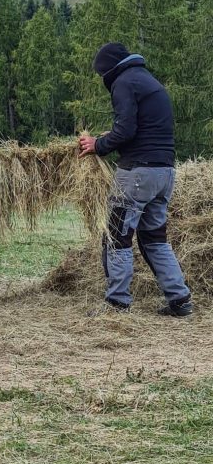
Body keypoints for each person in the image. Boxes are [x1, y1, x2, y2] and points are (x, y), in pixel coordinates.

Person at [78, 41, 193, 316]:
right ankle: (180, 298)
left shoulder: (124, 82)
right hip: (164, 172)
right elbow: (140, 128)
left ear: (107, 70)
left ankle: (117, 301)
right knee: (154, 239)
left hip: (137, 174)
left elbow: (126, 130)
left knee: (117, 236)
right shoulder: (147, 80)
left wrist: (98, 144)